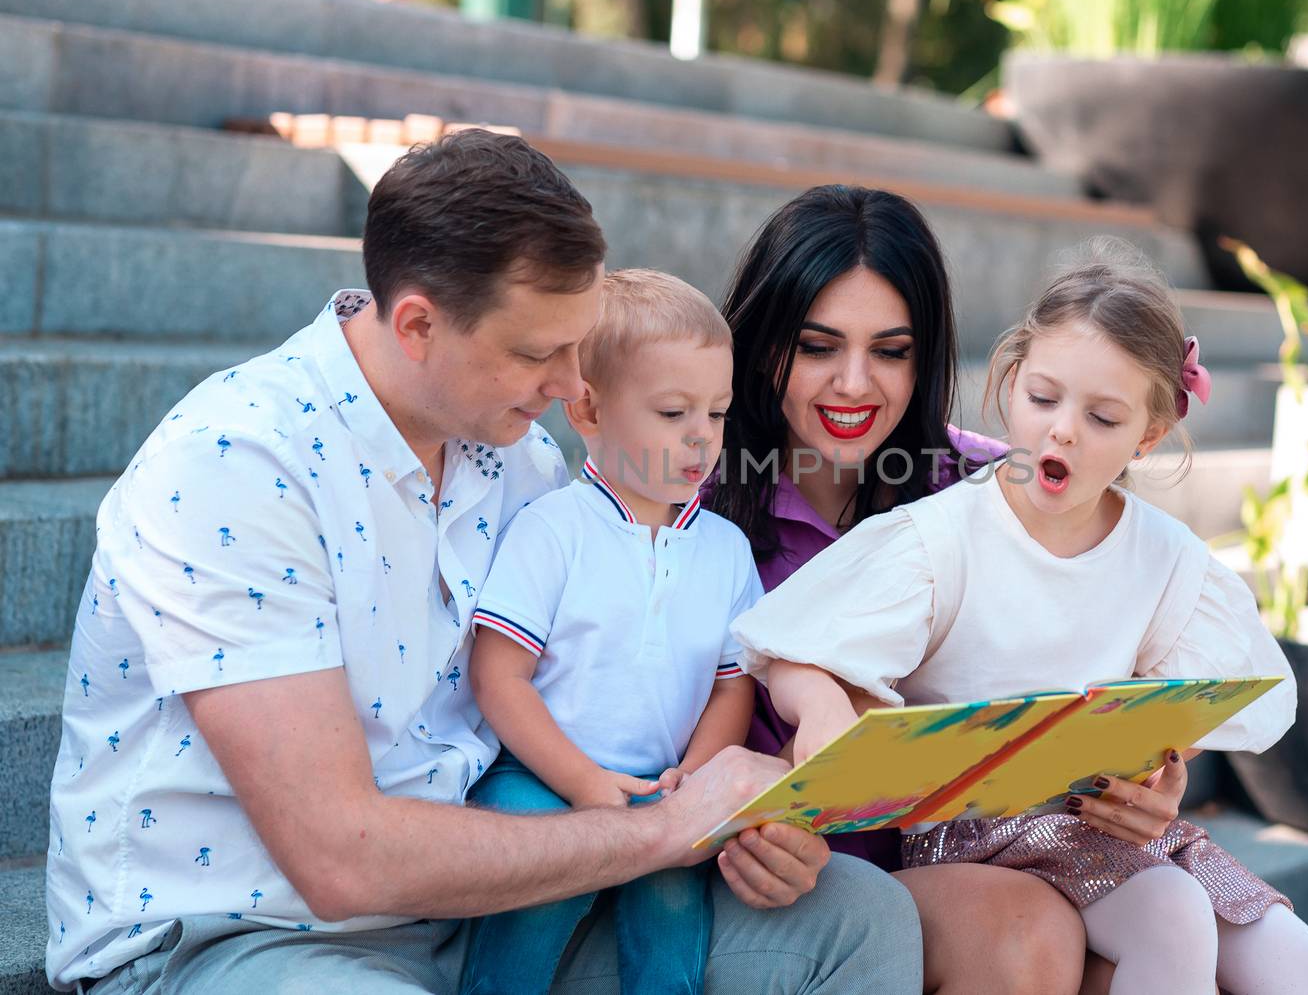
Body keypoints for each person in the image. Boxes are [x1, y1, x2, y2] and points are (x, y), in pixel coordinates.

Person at [44, 131, 921, 994]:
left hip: (487, 906)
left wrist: (748, 827)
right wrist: (668, 827)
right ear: (418, 323)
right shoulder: (235, 467)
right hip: (240, 936)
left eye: (578, 344)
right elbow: (339, 860)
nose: (573, 383)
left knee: (859, 920)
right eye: (539, 352)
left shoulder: (522, 462)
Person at [732, 239, 1308, 995]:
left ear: (1147, 436)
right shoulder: (945, 534)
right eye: (1044, 399)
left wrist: (1160, 770)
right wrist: (822, 713)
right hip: (975, 834)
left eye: (1103, 417)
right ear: (1011, 381)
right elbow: (789, 641)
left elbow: (1211, 698)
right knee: (1174, 916)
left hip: (1100, 825)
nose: (1062, 431)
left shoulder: (1164, 556)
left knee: (1307, 968)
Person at [709, 184, 1092, 994]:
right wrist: (748, 832)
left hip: (970, 850)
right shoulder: (690, 498)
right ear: (763, 340)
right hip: (771, 876)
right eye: (817, 347)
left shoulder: (992, 486)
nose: (855, 384)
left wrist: (1144, 780)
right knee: (1023, 934)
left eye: (891, 350)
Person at [462, 269, 759, 995]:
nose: (702, 437)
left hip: (661, 789)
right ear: (588, 408)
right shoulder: (554, 529)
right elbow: (498, 676)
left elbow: (733, 682)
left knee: (673, 902)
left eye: (717, 413)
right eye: (672, 412)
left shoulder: (725, 549)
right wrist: (583, 784)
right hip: (539, 776)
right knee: (542, 878)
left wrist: (694, 777)